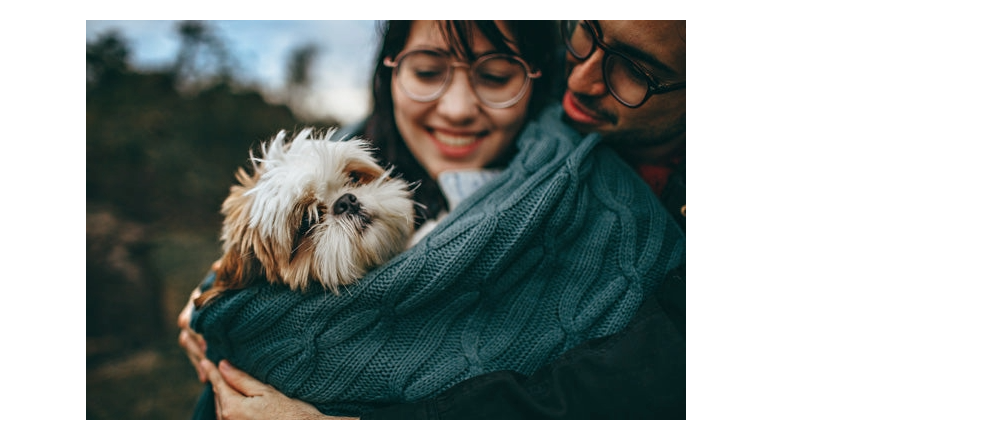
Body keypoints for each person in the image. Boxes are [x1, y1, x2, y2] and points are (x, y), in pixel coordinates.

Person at [181, 20, 686, 419]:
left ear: (534, 77)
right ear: (389, 72)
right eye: (426, 71)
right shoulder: (359, 142)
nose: (459, 108)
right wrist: (213, 297)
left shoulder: (600, 191)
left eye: (494, 76)